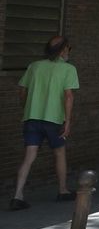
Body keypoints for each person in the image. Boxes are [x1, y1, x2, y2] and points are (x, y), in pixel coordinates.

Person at [11, 35, 79, 211]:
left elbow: (22, 90)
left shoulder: (34, 66)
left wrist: (27, 107)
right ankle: (63, 190)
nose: (69, 51)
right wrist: (68, 121)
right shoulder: (68, 69)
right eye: (69, 48)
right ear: (63, 50)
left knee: (29, 156)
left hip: (32, 118)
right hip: (54, 119)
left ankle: (17, 195)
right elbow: (68, 96)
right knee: (59, 153)